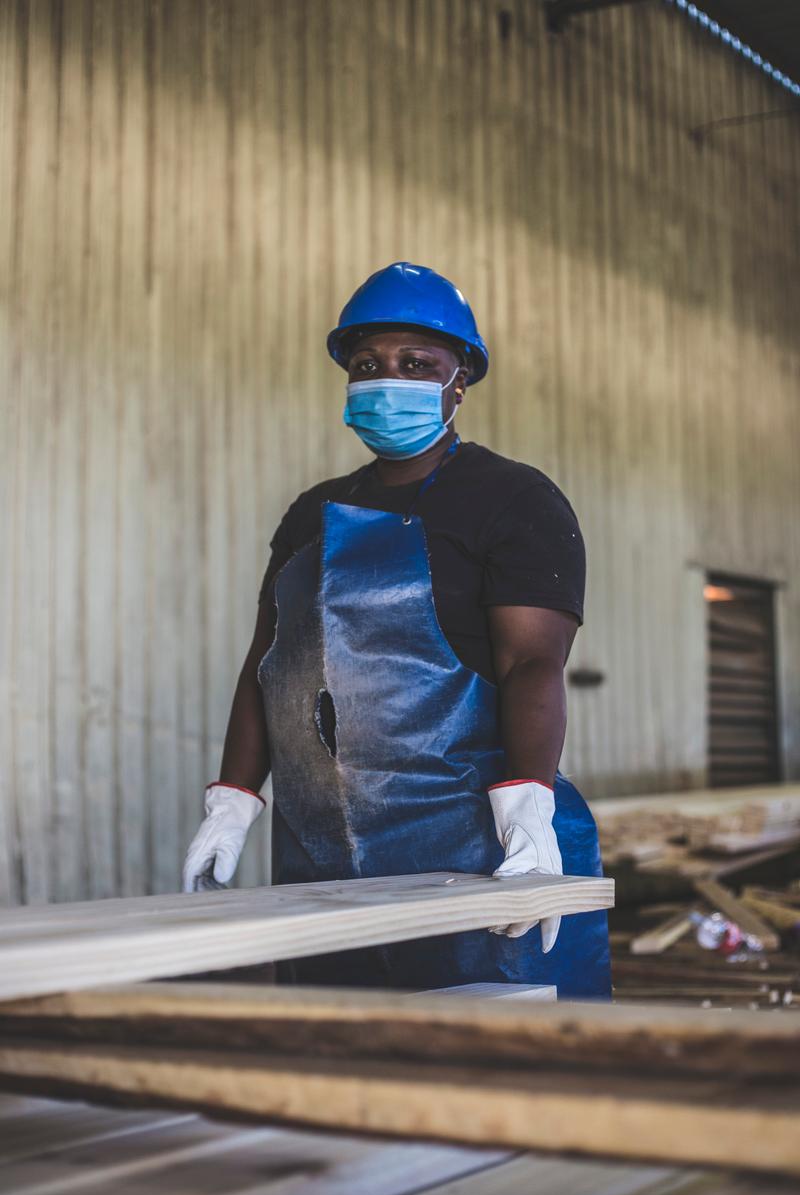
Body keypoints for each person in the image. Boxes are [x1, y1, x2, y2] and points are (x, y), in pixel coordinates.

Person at [182, 262, 610, 998]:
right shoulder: (311, 514)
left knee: (495, 1074)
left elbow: (532, 664)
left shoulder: (513, 499)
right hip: (324, 854)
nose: (388, 379)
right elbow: (267, 666)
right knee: (339, 1068)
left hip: (478, 851)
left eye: (417, 364)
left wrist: (528, 811)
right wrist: (232, 802)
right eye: (367, 365)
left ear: (459, 381)